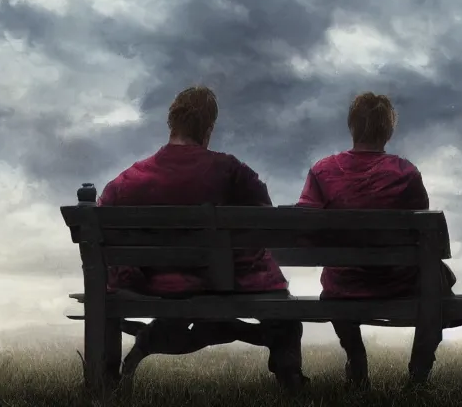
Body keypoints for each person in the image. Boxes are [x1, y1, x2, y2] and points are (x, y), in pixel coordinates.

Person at [97, 85, 308, 390]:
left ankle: (107, 379)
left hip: (155, 284)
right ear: (208, 130)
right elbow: (265, 220)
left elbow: (104, 226)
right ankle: (291, 379)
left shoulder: (128, 180)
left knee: (192, 322)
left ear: (171, 125)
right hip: (223, 283)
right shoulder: (230, 170)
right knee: (285, 317)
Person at [296, 92, 462, 389]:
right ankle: (419, 372)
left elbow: (303, 227)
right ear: (388, 131)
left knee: (338, 278)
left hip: (344, 285)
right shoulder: (405, 173)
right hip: (398, 283)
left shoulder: (323, 171)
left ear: (352, 127)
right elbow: (423, 236)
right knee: (438, 281)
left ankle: (356, 356)